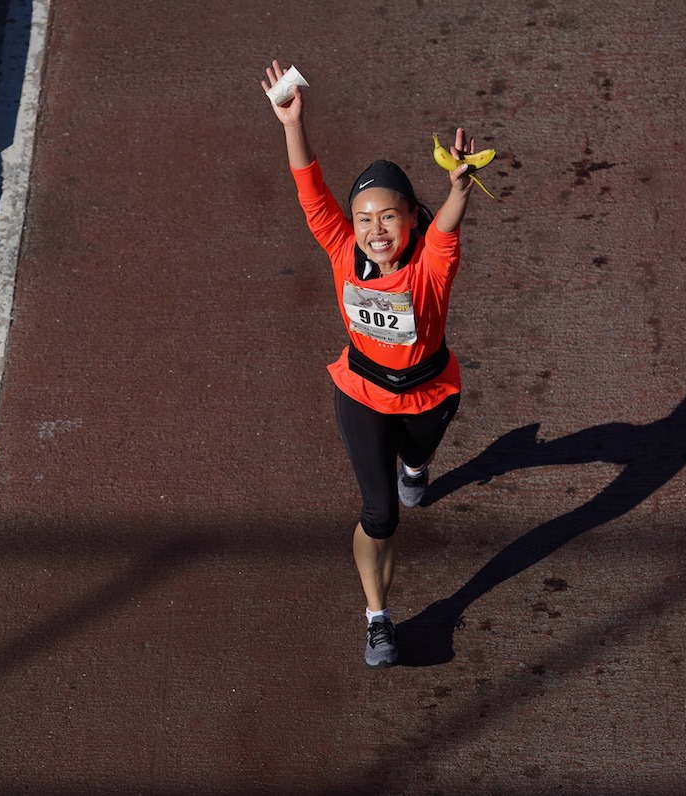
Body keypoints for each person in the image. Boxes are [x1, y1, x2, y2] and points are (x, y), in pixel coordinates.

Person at [262, 59, 482, 668]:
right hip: (360, 391)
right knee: (380, 513)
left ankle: (417, 466)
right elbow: (311, 188)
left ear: (412, 217)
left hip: (431, 394)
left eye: (389, 216)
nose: (375, 229)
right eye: (365, 219)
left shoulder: (430, 264)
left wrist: (460, 188)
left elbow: (448, 229)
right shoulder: (339, 247)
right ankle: (378, 619)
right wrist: (292, 123)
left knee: (416, 463)